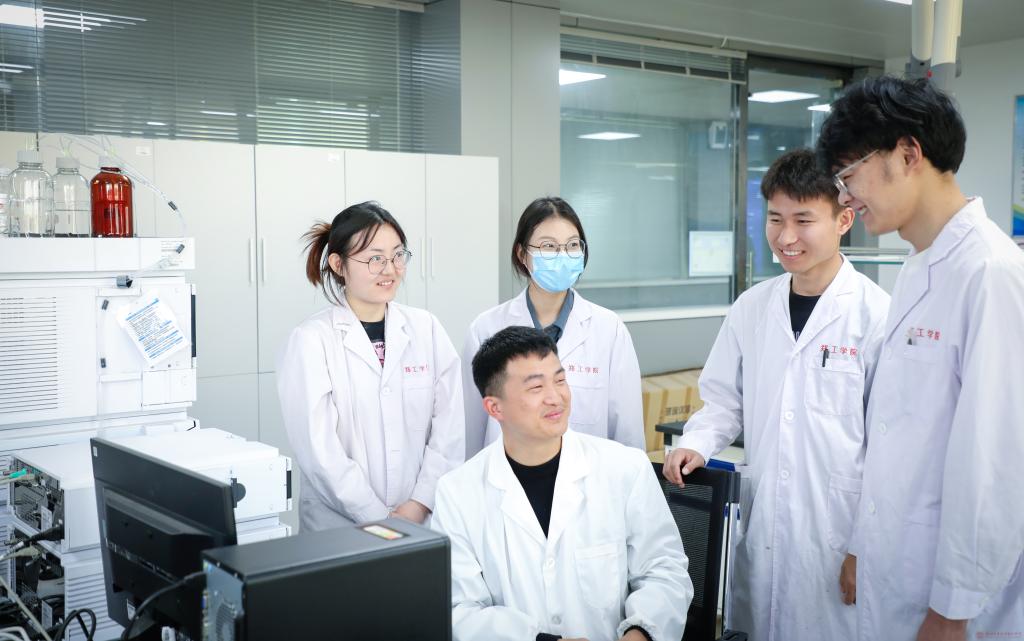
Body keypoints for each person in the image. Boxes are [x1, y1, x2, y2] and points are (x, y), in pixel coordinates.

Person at [816, 75, 1024, 641]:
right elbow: (897, 435)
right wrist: (862, 543)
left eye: (849, 175)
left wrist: (953, 611)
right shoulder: (916, 267)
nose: (844, 198)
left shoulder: (991, 273)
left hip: (956, 605)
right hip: (898, 571)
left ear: (908, 154)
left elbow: (994, 461)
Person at [663, 149, 890, 641]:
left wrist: (865, 545)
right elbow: (723, 400)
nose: (786, 237)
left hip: (840, 537)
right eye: (774, 219)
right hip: (764, 528)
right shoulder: (753, 307)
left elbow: (890, 448)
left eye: (803, 220)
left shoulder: (876, 317)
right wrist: (697, 443)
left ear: (844, 220)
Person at [433, 326, 692, 641]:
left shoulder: (625, 469)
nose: (555, 397)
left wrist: (640, 632)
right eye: (535, 387)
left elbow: (664, 571)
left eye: (559, 380)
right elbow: (460, 609)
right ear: (494, 408)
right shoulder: (457, 493)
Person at [276, 201, 464, 531]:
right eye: (375, 258)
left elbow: (450, 427)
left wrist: (420, 503)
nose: (390, 269)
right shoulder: (311, 340)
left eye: (397, 255)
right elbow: (319, 451)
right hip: (339, 526)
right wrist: (378, 517)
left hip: (421, 517)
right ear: (338, 264)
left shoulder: (426, 329)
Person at [463, 196, 644, 458]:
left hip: (589, 478)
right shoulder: (487, 328)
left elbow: (628, 432)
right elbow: (470, 431)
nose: (562, 255)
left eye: (572, 245)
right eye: (548, 246)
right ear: (522, 254)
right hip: (508, 477)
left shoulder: (608, 329)